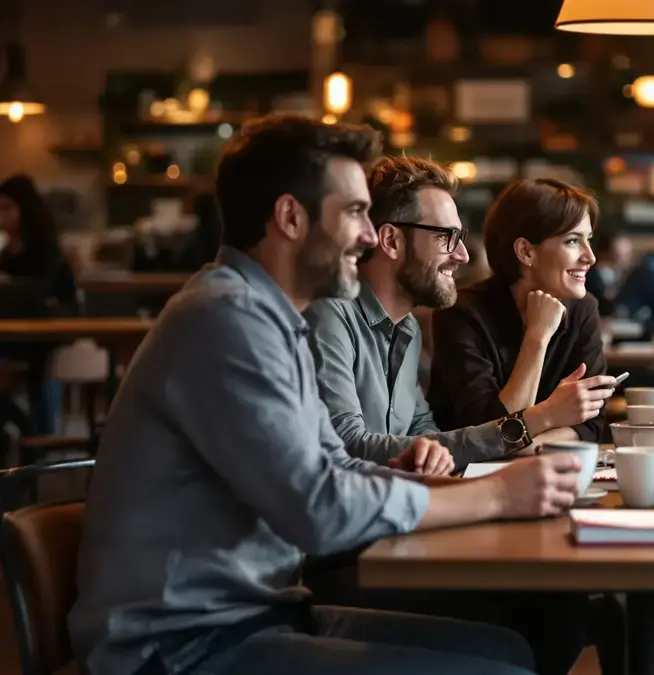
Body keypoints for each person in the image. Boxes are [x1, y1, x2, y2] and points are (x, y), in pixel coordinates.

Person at [70, 113, 587, 675]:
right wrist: (497, 496)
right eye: (355, 213)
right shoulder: (226, 319)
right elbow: (319, 509)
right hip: (181, 645)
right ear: (291, 217)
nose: (369, 237)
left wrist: (421, 472)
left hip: (258, 613)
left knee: (510, 649)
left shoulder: (272, 318)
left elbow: (335, 466)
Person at [304, 155, 624, 675]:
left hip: (396, 528)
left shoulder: (405, 331)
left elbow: (429, 432)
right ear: (390, 241)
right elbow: (346, 444)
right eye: (446, 237)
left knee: (564, 607)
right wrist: (525, 428)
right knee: (545, 615)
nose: (460, 253)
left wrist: (433, 450)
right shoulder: (330, 317)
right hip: (344, 554)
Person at [428, 178, 615, 445]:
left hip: (548, 472)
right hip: (468, 478)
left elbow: (592, 424)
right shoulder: (461, 314)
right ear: (526, 252)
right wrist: (537, 337)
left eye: (589, 240)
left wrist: (522, 448)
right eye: (573, 241)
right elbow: (489, 433)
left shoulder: (583, 309)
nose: (590, 257)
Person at [0, 174, 77, 436]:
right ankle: (24, 430)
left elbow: (45, 294)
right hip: (13, 334)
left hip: (50, 335)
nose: (2, 216)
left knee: (39, 367)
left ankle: (37, 436)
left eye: (8, 208)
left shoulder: (44, 248)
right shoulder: (4, 251)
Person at [584, 231, 633, 316]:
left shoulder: (625, 275)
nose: (625, 259)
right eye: (620, 255)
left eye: (628, 254)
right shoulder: (592, 277)